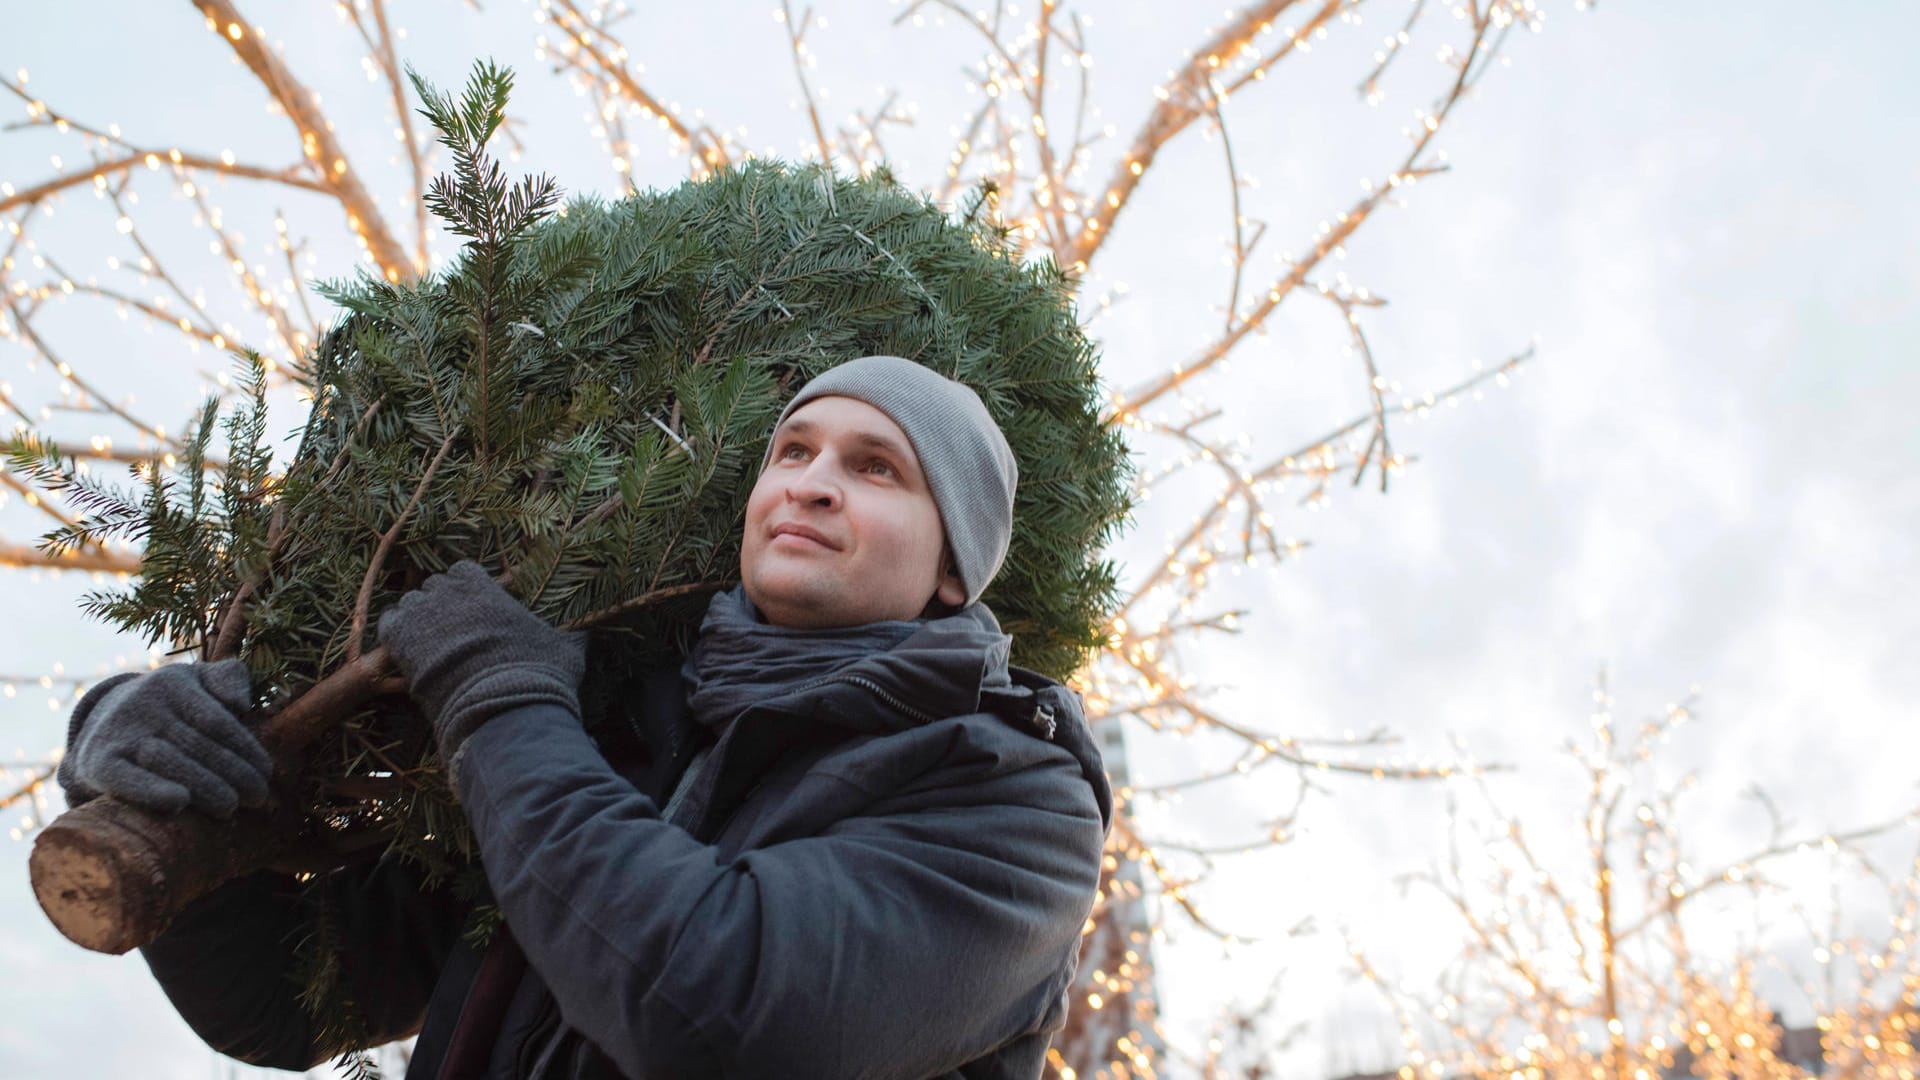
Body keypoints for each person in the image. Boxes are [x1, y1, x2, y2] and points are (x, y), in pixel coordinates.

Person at [56, 355, 1113, 1080]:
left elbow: (718, 1013)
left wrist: (498, 697)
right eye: (792, 452)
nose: (813, 484)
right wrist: (127, 756)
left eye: (876, 467)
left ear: (953, 572)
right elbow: (289, 999)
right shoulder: (620, 727)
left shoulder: (1014, 801)